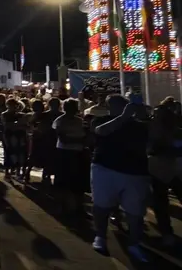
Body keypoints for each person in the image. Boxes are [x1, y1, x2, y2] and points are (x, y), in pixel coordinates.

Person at [91, 95, 149, 262]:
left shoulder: (140, 124)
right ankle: (100, 237)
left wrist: (144, 117)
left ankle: (134, 243)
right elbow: (100, 131)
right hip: (105, 168)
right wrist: (123, 117)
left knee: (135, 212)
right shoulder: (101, 120)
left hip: (136, 172)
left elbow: (155, 138)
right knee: (101, 206)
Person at [148, 97, 182, 247]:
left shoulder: (154, 127)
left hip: (161, 167)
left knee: (161, 202)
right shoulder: (169, 128)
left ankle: (167, 233)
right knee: (161, 201)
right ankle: (166, 233)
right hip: (167, 166)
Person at [52, 98, 89, 215]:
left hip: (78, 153)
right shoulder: (60, 121)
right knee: (63, 181)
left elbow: (86, 137)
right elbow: (63, 139)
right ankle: (61, 206)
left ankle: (79, 207)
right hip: (64, 152)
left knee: (78, 183)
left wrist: (76, 140)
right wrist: (79, 140)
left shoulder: (80, 121)